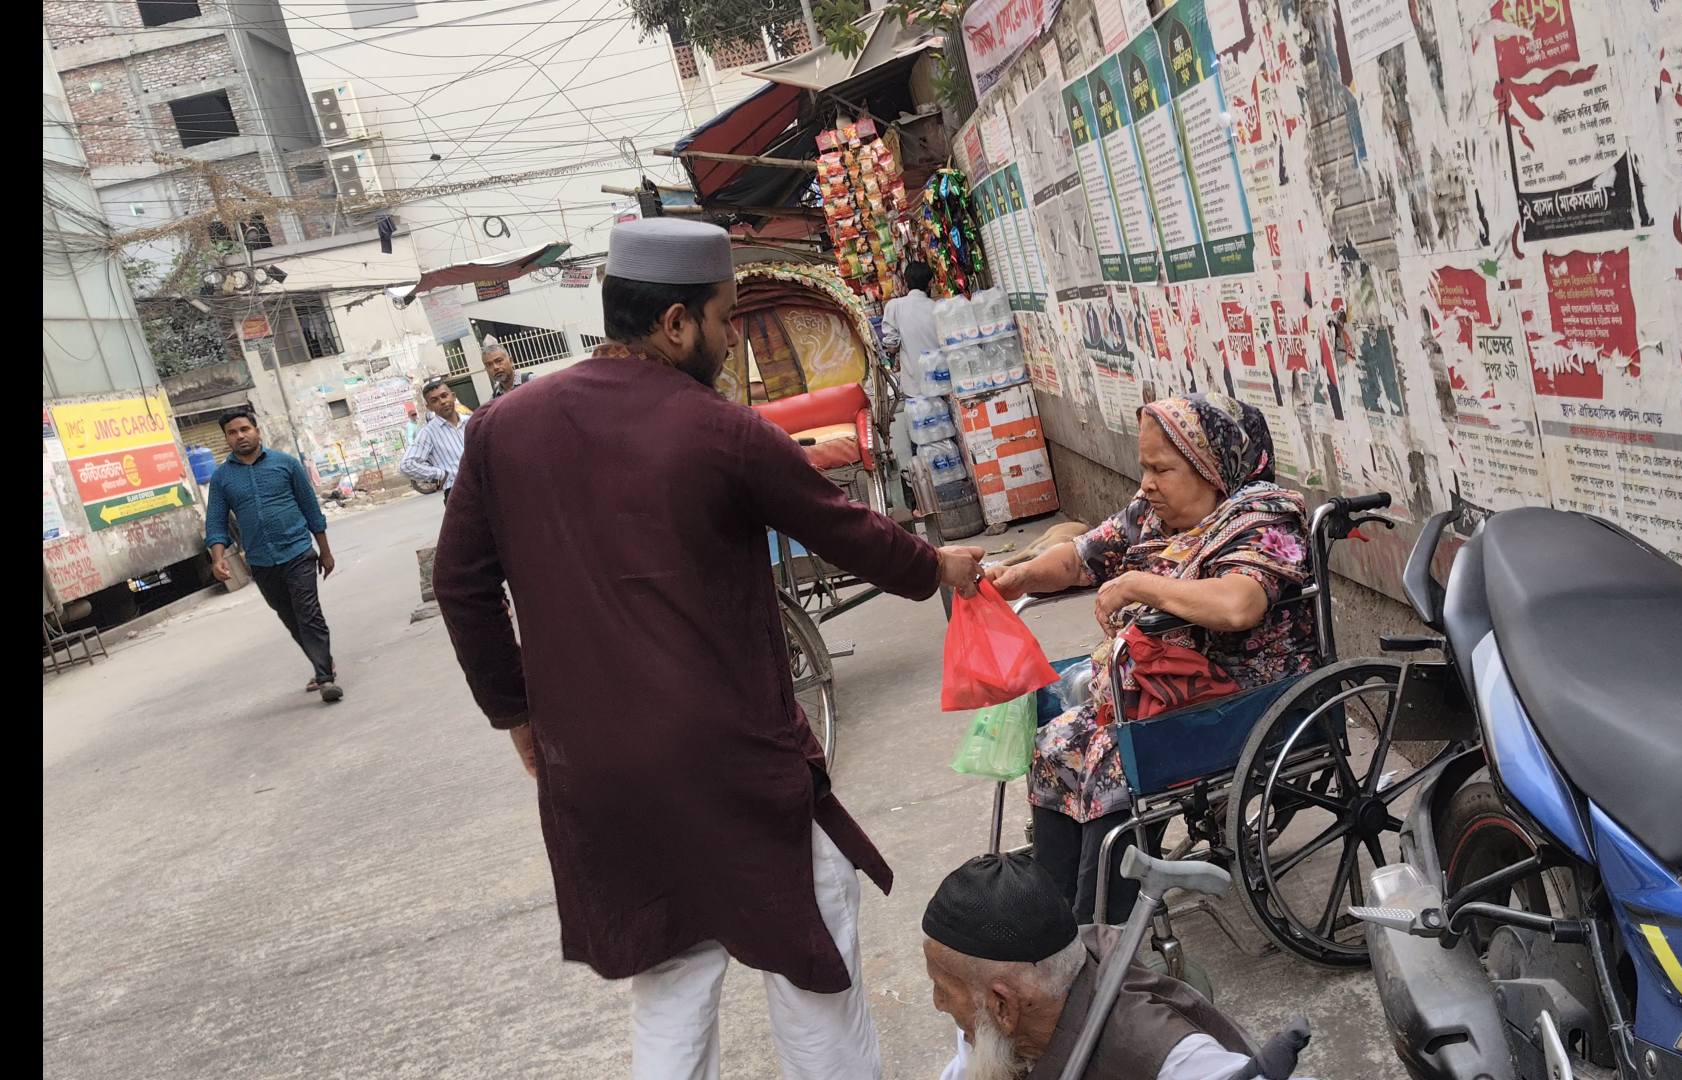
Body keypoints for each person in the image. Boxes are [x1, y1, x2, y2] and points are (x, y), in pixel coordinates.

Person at [433, 217, 987, 1080]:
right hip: (729, 758)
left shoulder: (504, 428)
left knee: (671, 973)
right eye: (726, 320)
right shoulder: (720, 430)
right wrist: (940, 565)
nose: (730, 343)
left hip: (599, 770)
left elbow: (462, 589)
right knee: (809, 948)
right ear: (676, 324)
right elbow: (846, 530)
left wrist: (517, 714)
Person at [985, 395, 1317, 923]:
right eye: (1144, 467)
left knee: (1109, 760)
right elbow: (1080, 556)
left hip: (1240, 695)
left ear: (1213, 469)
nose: (1146, 484)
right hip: (1162, 691)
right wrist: (1018, 575)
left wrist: (1141, 584)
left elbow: (1239, 604)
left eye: (1162, 468)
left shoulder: (1265, 518)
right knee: (1055, 744)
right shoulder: (1154, 515)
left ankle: (1105, 931)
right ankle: (1056, 922)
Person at [924, 853, 1312, 1080]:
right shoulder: (989, 1027)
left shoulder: (1154, 1050)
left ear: (1003, 1006)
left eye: (942, 986)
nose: (938, 1002)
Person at [205, 409, 343, 703]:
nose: (240, 436)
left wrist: (326, 552)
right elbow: (216, 522)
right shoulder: (222, 478)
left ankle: (325, 677)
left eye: (245, 429)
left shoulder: (286, 464)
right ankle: (323, 662)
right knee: (290, 616)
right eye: (232, 432)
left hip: (297, 551)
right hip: (260, 560)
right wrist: (218, 558)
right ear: (227, 439)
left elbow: (311, 510)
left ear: (257, 431)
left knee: (308, 612)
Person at [399, 377, 469, 501]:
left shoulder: (470, 421)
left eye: (444, 396)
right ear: (429, 407)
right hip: (458, 493)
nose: (442, 402)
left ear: (453, 396)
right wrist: (440, 475)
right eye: (435, 400)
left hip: (485, 486)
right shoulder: (428, 433)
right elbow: (406, 465)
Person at [881, 261, 942, 362]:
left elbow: (892, 348)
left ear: (905, 282)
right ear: (930, 283)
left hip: (911, 375)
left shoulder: (894, 306)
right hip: (939, 372)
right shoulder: (937, 308)